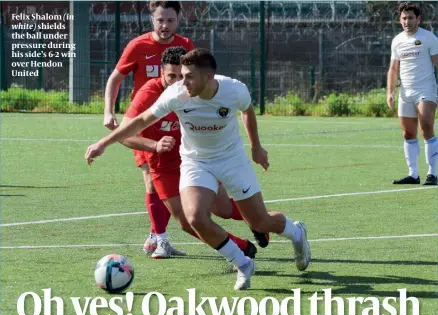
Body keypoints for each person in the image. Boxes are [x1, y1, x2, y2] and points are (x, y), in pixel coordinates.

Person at [86, 48, 311, 291]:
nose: (184, 82)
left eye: (190, 76)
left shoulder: (233, 89)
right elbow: (140, 121)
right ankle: (243, 263)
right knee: (194, 218)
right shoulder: (176, 95)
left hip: (232, 160)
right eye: (182, 75)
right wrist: (103, 143)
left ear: (209, 76)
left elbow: (247, 110)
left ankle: (296, 233)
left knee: (259, 221)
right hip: (196, 162)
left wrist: (256, 147)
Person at [117, 46, 257, 260]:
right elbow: (125, 132)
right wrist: (154, 145)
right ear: (161, 73)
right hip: (164, 163)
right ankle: (241, 248)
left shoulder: (197, 89)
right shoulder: (150, 94)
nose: (177, 83)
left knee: (223, 209)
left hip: (196, 158)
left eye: (181, 76)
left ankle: (258, 222)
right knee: (187, 221)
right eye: (171, 77)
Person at [103, 1, 195, 252]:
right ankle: (161, 238)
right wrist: (108, 111)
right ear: (152, 20)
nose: (165, 25)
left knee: (174, 182)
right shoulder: (138, 46)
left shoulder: (186, 47)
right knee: (152, 178)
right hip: (145, 124)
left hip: (176, 122)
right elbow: (115, 78)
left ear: (179, 20)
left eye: (170, 20)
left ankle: (156, 236)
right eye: (160, 20)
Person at [387, 1, 438, 186]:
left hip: (426, 90)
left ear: (418, 19)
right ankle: (413, 174)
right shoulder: (397, 40)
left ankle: (432, 174)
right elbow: (393, 69)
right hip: (405, 92)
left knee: (426, 129)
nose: (406, 21)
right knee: (408, 134)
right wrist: (390, 92)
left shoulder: (429, 38)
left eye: (410, 18)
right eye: (403, 18)